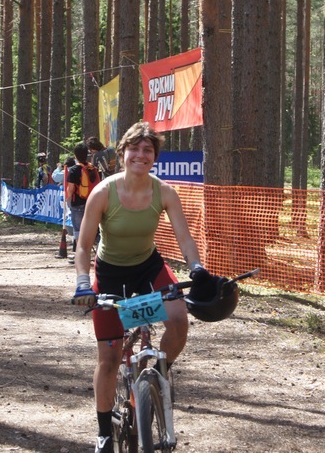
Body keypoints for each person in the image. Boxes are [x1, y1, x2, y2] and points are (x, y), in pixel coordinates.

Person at [72, 122, 211, 453]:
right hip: (110, 273)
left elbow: (184, 238)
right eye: (134, 148)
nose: (140, 155)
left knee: (178, 320)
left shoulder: (165, 192)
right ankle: (104, 433)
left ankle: (157, 377)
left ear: (154, 157)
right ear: (122, 154)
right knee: (108, 359)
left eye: (148, 150)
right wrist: (82, 282)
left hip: (149, 267)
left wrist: (196, 267)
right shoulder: (103, 192)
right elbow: (84, 245)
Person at [66, 144, 100, 262]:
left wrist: (68, 199)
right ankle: (97, 255)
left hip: (78, 204)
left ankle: (81, 256)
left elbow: (71, 189)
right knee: (94, 230)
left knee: (78, 231)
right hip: (93, 203)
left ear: (75, 155)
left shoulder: (74, 170)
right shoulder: (93, 168)